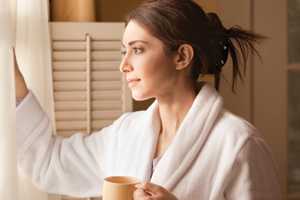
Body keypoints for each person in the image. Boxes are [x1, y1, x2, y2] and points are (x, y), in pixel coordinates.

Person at [15, 0, 281, 199]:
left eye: (137, 50)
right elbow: (48, 162)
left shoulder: (239, 144)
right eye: (123, 51)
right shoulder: (125, 133)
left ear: (181, 57)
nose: (124, 65)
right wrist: (9, 69)